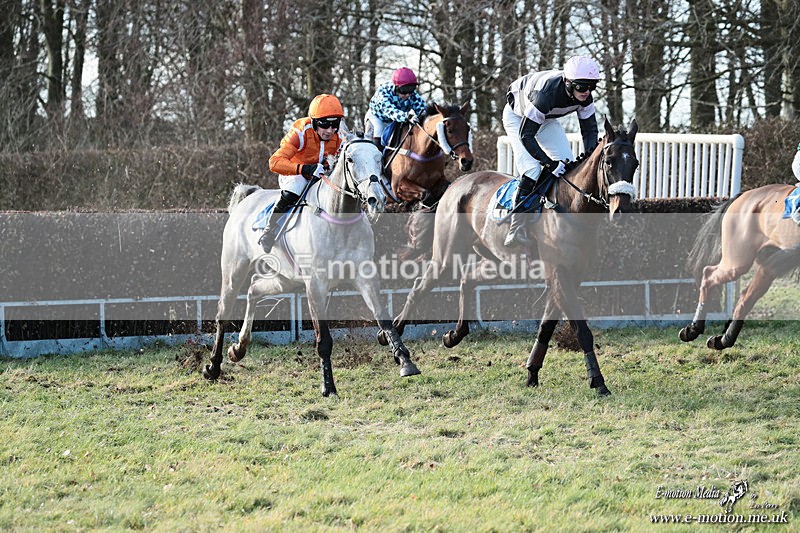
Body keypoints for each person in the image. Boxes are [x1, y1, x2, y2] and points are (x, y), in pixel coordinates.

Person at [502, 55, 601, 246]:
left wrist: (590, 160)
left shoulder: (585, 97)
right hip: (518, 118)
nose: (587, 92)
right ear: (568, 83)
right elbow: (526, 135)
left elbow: (590, 131)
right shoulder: (546, 95)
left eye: (592, 86)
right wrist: (549, 163)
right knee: (532, 170)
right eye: (582, 87)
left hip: (545, 118)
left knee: (567, 165)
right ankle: (516, 227)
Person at [259, 94, 346, 253]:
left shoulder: (339, 137)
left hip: (319, 176)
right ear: (314, 122)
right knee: (297, 184)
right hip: (293, 174)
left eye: (334, 125)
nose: (329, 130)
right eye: (324, 125)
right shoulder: (300, 132)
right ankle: (269, 229)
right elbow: (274, 162)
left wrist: (329, 166)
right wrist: (305, 169)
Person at [365, 67, 427, 151]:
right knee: (378, 131)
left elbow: (422, 108)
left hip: (397, 119)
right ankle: (374, 155)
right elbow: (391, 111)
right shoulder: (383, 92)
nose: (408, 95)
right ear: (396, 87)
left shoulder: (412, 94)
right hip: (378, 117)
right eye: (404, 90)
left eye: (411, 90)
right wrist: (408, 117)